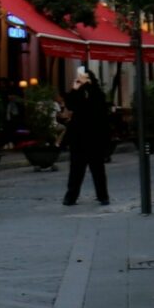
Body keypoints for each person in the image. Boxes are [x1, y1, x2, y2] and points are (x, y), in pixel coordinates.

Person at [61, 67, 113, 206]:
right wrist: (74, 89)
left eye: (82, 77)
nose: (79, 79)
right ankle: (71, 196)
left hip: (94, 136)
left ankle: (103, 196)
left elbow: (102, 117)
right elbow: (70, 105)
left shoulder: (97, 94)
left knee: (97, 170)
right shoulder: (77, 93)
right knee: (76, 170)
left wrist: (105, 140)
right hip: (78, 137)